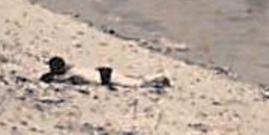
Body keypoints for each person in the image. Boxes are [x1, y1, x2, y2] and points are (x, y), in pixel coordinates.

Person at [39, 56, 171, 90]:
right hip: (103, 72)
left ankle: (159, 76)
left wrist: (53, 80)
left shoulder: (72, 75)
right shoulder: (71, 70)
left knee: (136, 84)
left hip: (105, 77)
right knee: (134, 79)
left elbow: (70, 81)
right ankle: (158, 78)